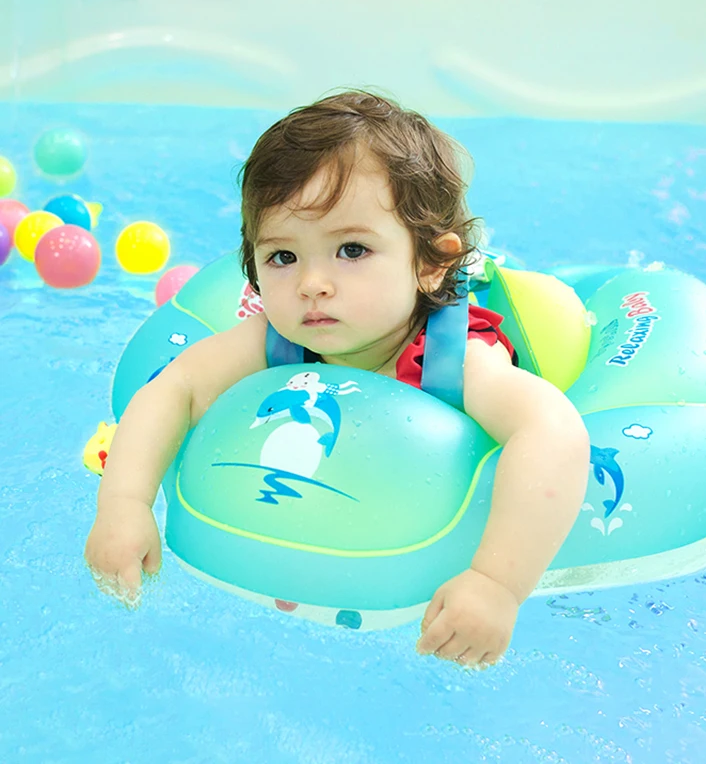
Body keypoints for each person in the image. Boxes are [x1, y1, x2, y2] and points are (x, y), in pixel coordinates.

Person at [84, 90, 591, 668]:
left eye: (352, 249)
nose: (313, 284)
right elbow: (176, 388)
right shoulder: (279, 338)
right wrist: (124, 503)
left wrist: (497, 584)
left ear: (429, 263)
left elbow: (553, 433)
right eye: (283, 256)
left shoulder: (454, 361)